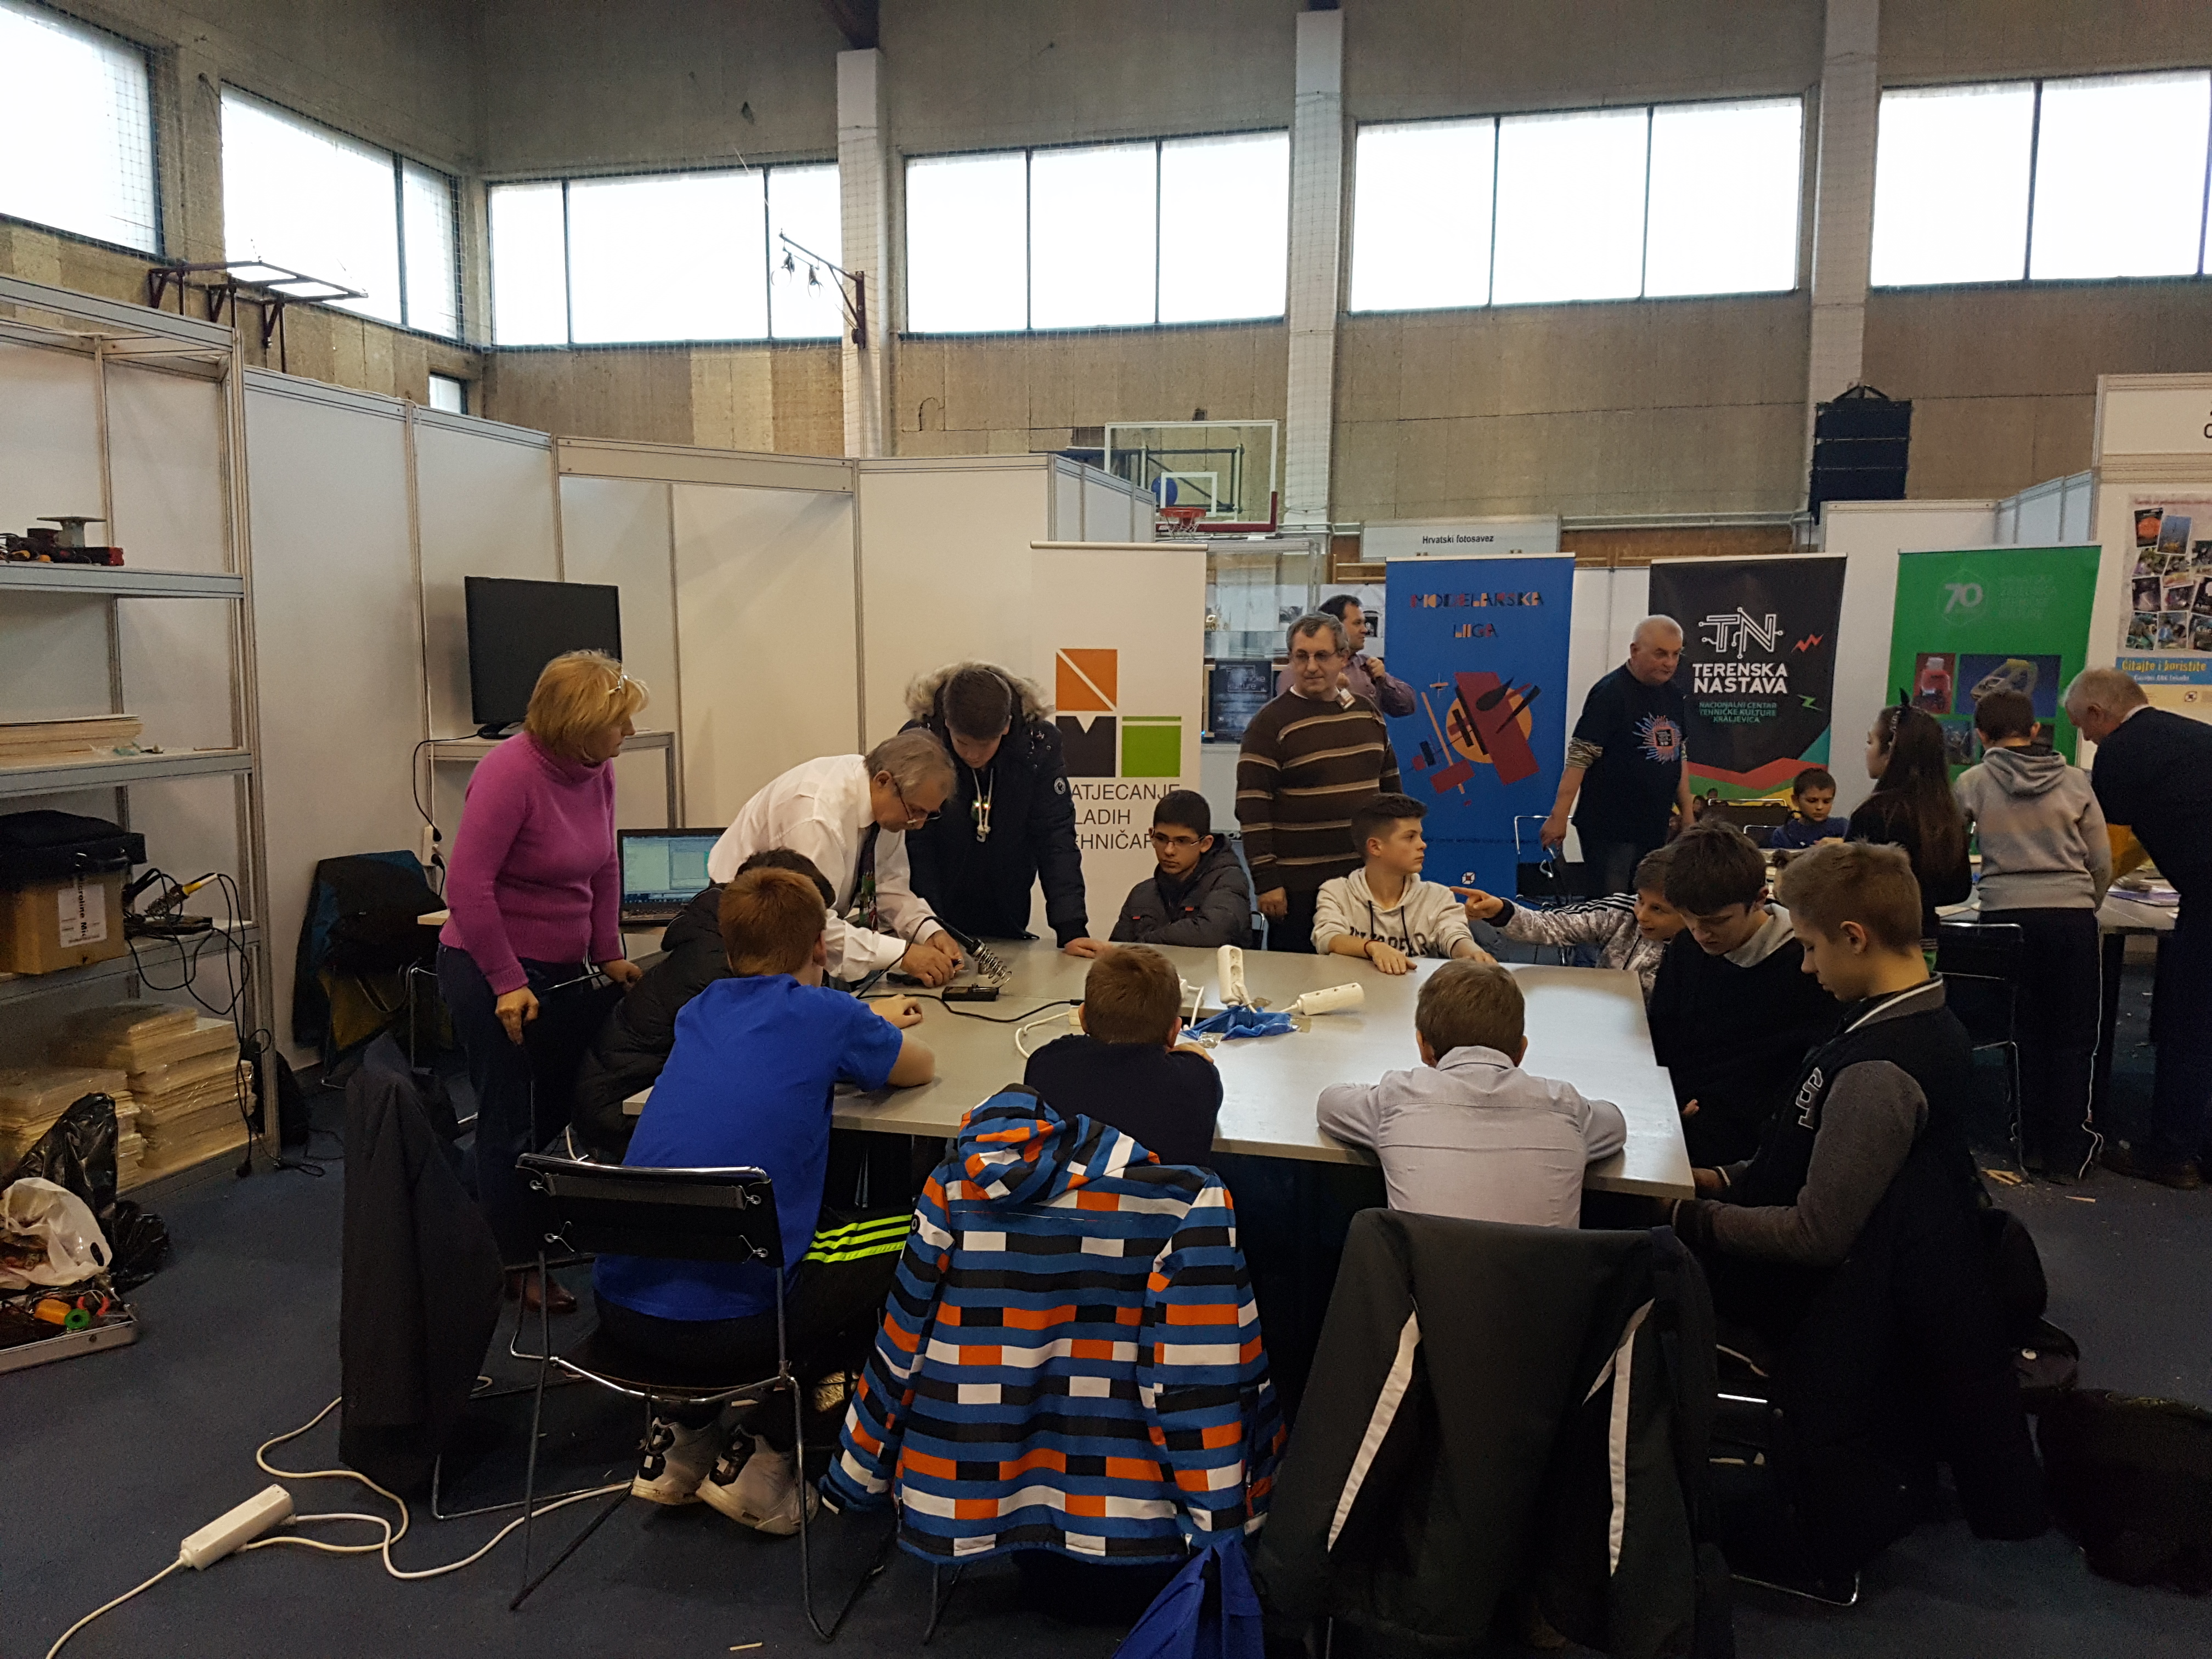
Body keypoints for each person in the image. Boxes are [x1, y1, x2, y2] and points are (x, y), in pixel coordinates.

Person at [592, 866, 935, 1531]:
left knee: (733, 1234)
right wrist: (863, 1022)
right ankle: (771, 1449)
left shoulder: (699, 1011)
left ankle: (684, 1432)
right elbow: (916, 1067)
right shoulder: (827, 1014)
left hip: (624, 1312)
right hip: (742, 1325)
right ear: (820, 946)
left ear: (729, 949)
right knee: (924, 1235)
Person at [1669, 842, 1976, 1334]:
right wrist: (1722, 1180)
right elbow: (1804, 1156)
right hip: (1780, 1245)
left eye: (1811, 947)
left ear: (1854, 938)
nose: (1806, 966)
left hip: (1798, 1304)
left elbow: (1815, 1234)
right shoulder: (1894, 1020)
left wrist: (1688, 1216)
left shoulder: (1878, 1071)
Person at [438, 650, 648, 1314]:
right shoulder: (509, 773)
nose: (629, 733)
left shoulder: (596, 769)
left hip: (559, 971)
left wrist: (608, 952)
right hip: (491, 969)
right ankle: (515, 1262)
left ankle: (493, 1219)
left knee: (556, 1108)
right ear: (579, 726)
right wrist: (506, 981)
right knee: (510, 1122)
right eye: (618, 722)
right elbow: (467, 887)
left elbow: (603, 865)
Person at [1316, 960, 1626, 1228]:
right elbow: (1616, 1124)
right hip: (1547, 1281)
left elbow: (1330, 1101)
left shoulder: (1397, 1098)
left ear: (1423, 1048)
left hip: (1423, 1281)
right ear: (1521, 1052)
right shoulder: (1565, 1106)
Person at [570, 849, 833, 1161]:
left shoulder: (725, 945)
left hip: (644, 1099)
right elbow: (782, 1044)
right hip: (624, 1113)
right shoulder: (723, 973)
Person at [1953, 690, 2112, 1180]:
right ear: (2036, 730)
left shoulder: (1972, 782)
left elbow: (1952, 850)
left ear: (1981, 735)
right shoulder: (2076, 781)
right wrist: (2085, 902)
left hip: (2006, 918)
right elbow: (2101, 860)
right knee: (2073, 1036)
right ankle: (2066, 1151)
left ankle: (2029, 1143)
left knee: (2022, 1033)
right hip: (2071, 919)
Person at [2065, 667, 2212, 1188]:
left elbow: (2109, 850)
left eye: (2083, 726)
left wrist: (2084, 900)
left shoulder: (2121, 752)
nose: (2086, 738)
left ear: (2099, 713)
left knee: (2187, 1025)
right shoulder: (2194, 736)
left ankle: (2174, 1155)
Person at [706, 730, 966, 986]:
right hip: (741, 931)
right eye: (915, 811)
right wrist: (902, 955)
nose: (918, 824)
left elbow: (887, 885)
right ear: (883, 781)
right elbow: (811, 925)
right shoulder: (818, 817)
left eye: (928, 814)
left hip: (791, 934)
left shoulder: (883, 803)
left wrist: (927, 929)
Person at [1649, 823, 1837, 1165]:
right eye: (1689, 919)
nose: (1701, 934)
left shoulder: (1805, 966)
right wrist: (1667, 1097)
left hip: (1751, 1136)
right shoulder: (1686, 946)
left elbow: (1797, 1075)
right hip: (1676, 1108)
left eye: (1717, 921)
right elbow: (1664, 1031)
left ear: (1760, 899)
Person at [1238, 612, 1402, 953]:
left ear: (1343, 657)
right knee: (1296, 980)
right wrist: (1266, 883)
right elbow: (1253, 810)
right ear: (1291, 659)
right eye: (1302, 656)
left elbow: (1392, 795)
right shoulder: (1268, 725)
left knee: (1368, 975)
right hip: (1298, 890)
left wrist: (1397, 860)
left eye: (1322, 656)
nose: (1311, 667)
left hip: (1364, 883)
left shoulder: (1368, 713)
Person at [902, 661, 1091, 955]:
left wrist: (1072, 928)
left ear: (1006, 726)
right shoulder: (920, 741)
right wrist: (930, 928)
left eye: (985, 745)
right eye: (963, 743)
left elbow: (1055, 837)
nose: (973, 755)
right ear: (948, 723)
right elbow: (916, 843)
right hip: (932, 902)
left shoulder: (1038, 746)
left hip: (1008, 906)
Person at [1022, 944, 1223, 1168]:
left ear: (1082, 1018)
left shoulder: (1045, 1066)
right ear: (1174, 1032)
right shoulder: (1199, 1081)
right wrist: (1191, 1059)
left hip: (1067, 1191)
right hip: (1161, 1192)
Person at [1545, 616, 1697, 896]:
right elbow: (1580, 756)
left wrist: (1687, 816)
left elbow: (1678, 756)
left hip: (1654, 826)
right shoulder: (1610, 693)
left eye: (1676, 654)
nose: (1670, 663)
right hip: (1610, 829)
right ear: (1635, 651)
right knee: (1611, 908)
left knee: (1647, 903)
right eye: (1661, 654)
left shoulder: (1674, 695)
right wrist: (1559, 817)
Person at [1459, 843, 1684, 1001]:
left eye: (1658, 909)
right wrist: (1501, 911)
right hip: (1602, 1015)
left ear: (1690, 913)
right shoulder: (1620, 913)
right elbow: (1553, 925)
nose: (1642, 915)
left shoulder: (1696, 949)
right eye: (1640, 900)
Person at [1312, 792, 1492, 972]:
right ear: (1375, 847)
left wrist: (1473, 953)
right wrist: (1372, 947)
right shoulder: (1336, 891)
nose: (1422, 845)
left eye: (1420, 836)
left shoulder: (1438, 896)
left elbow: (1454, 936)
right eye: (1410, 837)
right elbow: (1327, 937)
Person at [1849, 703, 1971, 940]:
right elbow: (1959, 889)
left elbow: (1849, 886)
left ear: (1891, 752)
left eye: (1870, 742)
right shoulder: (1946, 813)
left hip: (1877, 940)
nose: (1866, 750)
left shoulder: (1874, 813)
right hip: (1928, 939)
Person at [1107, 789, 1252, 948]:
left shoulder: (1229, 881)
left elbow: (1213, 933)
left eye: (1182, 841)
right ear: (1151, 835)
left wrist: (1142, 945)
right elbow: (1116, 953)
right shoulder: (1141, 894)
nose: (1169, 851)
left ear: (1205, 844)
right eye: (1161, 839)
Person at [1272, 594, 1414, 715]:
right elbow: (1288, 718)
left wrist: (1384, 680)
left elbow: (1407, 707)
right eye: (1357, 623)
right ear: (1336, 625)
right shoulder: (1298, 671)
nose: (1365, 630)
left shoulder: (1367, 666)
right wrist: (1328, 692)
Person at [1769, 766, 1847, 851]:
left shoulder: (1844, 827)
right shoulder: (1783, 835)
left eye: (1827, 802)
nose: (1820, 807)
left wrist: (1845, 843)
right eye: (1812, 801)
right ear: (1796, 800)